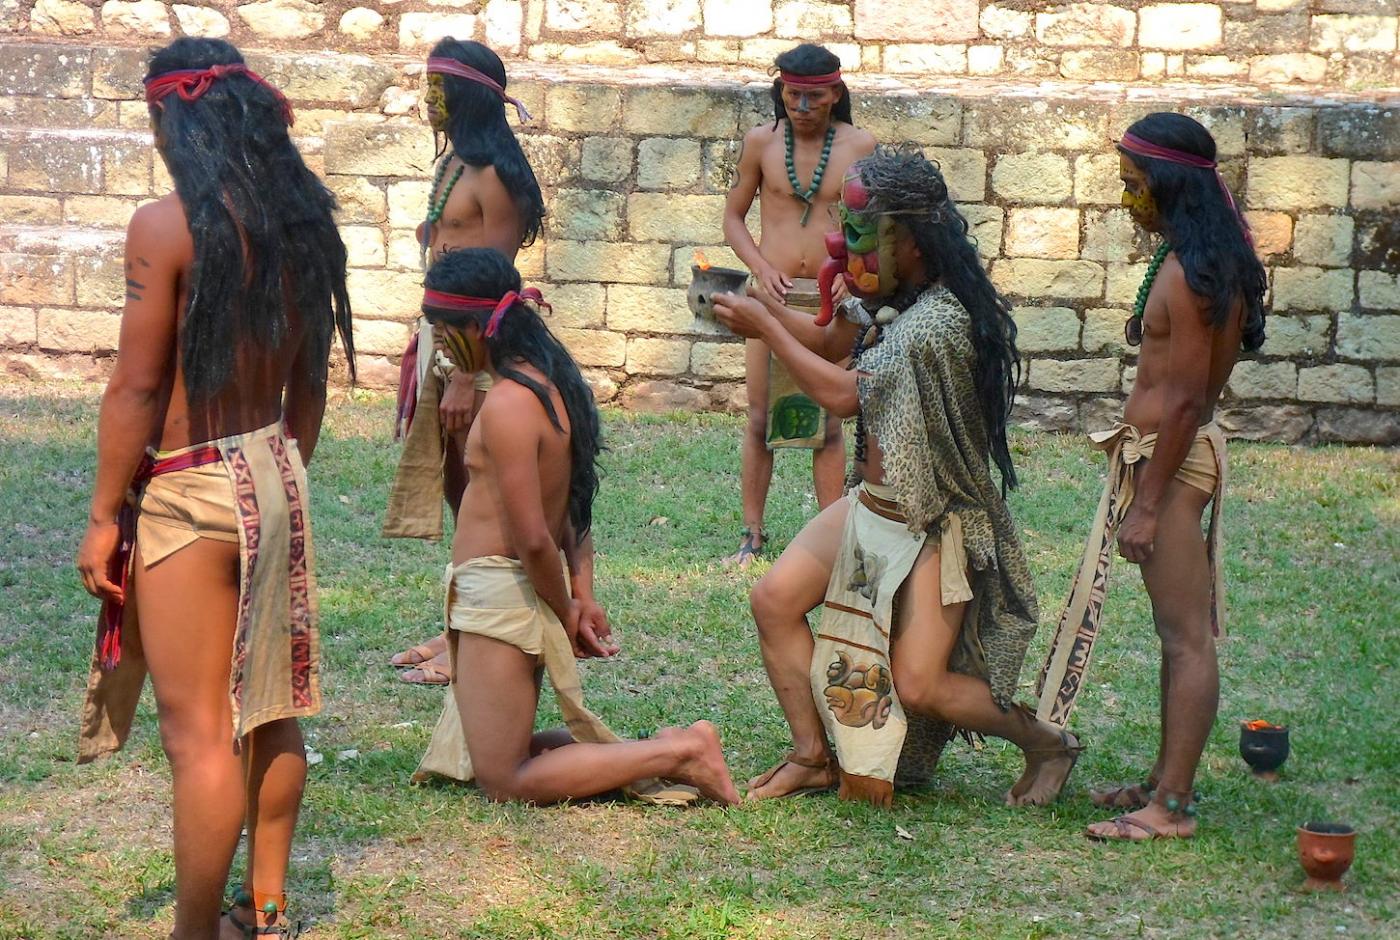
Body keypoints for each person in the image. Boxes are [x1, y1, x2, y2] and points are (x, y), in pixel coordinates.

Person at [73, 38, 354, 939]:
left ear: (173, 118)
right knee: (269, 713)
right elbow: (309, 389)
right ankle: (265, 914)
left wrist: (101, 515)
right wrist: (277, 479)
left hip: (189, 491)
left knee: (197, 738)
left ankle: (197, 935)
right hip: (272, 472)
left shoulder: (168, 226)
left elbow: (138, 388)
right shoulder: (306, 222)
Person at [713, 148, 1082, 808]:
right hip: (877, 505)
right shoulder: (898, 302)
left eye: (858, 233)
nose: (840, 244)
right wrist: (828, 310)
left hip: (935, 518)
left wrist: (766, 324)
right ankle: (812, 755)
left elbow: (845, 395)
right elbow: (827, 350)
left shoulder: (935, 322)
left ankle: (1048, 741)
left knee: (921, 687)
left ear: (909, 242)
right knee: (774, 600)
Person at [410, 247, 741, 807]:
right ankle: (667, 747)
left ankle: (680, 754)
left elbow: (535, 535)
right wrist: (580, 593)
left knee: (504, 778)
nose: (438, 343)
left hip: (501, 593)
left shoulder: (511, 405)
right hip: (501, 592)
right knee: (494, 753)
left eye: (443, 330)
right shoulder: (547, 385)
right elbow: (574, 507)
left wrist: (563, 612)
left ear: (478, 326)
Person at [1031, 114, 1267, 841]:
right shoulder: (1192, 256)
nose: (1126, 196)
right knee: (1176, 636)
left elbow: (1190, 399)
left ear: (1168, 182)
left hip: (1172, 463)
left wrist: (1150, 503)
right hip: (1160, 456)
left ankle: (1173, 808)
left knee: (1185, 637)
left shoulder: (1196, 272)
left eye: (1134, 183)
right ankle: (1165, 783)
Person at [384, 38, 547, 685]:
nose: (429, 101)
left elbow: (496, 287)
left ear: (468, 94)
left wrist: (468, 374)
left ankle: (474, 638)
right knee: (461, 491)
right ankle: (459, 623)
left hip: (477, 352)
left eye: (438, 89)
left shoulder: (494, 177)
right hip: (443, 342)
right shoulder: (452, 163)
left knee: (484, 492)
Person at [721, 42, 875, 567]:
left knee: (830, 419)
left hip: (833, 297)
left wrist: (854, 277)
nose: (802, 107)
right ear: (780, 92)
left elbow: (872, 227)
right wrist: (760, 266)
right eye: (792, 95)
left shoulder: (860, 145)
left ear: (834, 93)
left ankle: (830, 534)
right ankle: (752, 534)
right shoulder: (761, 143)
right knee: (761, 416)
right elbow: (734, 218)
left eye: (813, 96)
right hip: (772, 293)